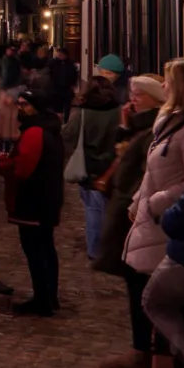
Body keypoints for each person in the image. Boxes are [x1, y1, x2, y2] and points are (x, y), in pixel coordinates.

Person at [126, 60, 184, 368]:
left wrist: (156, 204)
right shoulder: (172, 120)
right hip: (159, 222)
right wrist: (140, 199)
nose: (163, 88)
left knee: (159, 302)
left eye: (169, 82)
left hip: (175, 229)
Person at [96, 75, 167, 363]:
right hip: (130, 211)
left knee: (142, 286)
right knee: (136, 283)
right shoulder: (141, 127)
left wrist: (134, 202)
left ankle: (145, 350)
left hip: (138, 214)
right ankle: (143, 347)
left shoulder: (154, 131)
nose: (132, 99)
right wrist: (125, 127)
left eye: (138, 94)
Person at [0, 91, 66, 316]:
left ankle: (43, 299)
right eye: (19, 103)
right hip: (46, 197)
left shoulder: (35, 132)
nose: (21, 108)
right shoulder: (46, 129)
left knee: (37, 251)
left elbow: (21, 169)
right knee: (45, 248)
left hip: (34, 200)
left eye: (25, 104)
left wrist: (0, 162)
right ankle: (48, 296)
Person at [62, 76, 121, 263]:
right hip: (113, 167)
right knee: (109, 210)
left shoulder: (83, 114)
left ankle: (96, 250)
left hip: (89, 168)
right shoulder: (120, 112)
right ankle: (112, 247)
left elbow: (67, 136)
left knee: (93, 211)